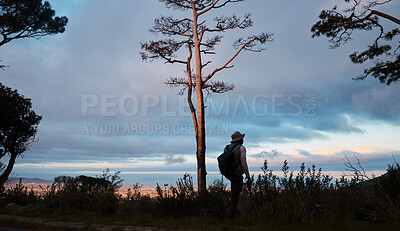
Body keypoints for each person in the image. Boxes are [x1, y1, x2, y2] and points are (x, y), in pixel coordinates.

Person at [228, 131, 251, 218]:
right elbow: (244, 164)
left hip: (229, 174)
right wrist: (248, 176)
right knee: (235, 195)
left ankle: (231, 212)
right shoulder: (242, 148)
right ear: (240, 139)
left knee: (234, 193)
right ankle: (232, 215)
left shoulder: (227, 148)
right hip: (237, 174)